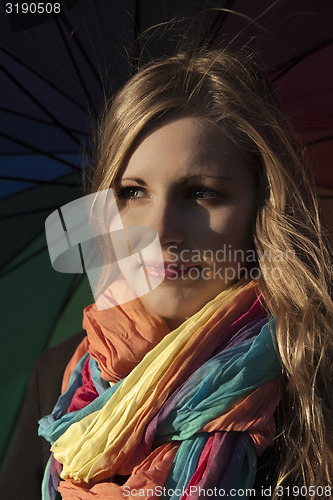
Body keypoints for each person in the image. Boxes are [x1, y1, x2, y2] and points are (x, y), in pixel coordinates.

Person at [2, 47, 333, 500]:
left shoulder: (313, 378)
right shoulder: (58, 374)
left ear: (261, 208)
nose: (158, 232)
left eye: (200, 192)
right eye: (134, 191)